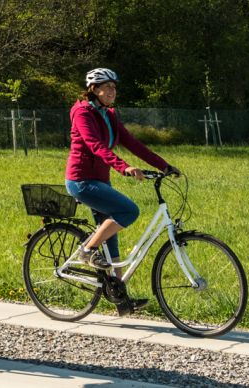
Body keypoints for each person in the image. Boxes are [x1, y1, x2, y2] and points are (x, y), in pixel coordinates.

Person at [66, 67, 178, 315]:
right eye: (107, 87)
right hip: (82, 180)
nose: (112, 91)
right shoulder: (82, 112)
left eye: (114, 87)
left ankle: (120, 298)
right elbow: (95, 146)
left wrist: (164, 166)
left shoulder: (109, 114)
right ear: (93, 89)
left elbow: (132, 143)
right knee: (129, 210)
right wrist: (124, 167)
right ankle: (86, 250)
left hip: (100, 182)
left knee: (111, 239)